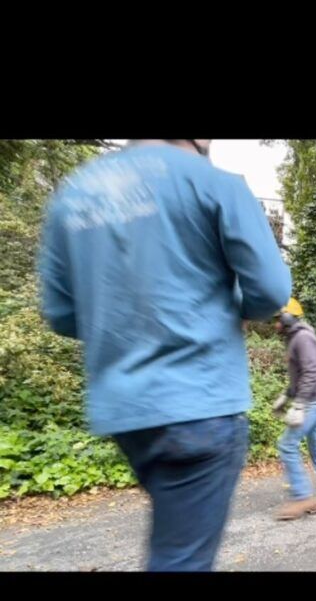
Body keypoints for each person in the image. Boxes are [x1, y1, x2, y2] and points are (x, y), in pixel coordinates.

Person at [38, 139, 291, 572]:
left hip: (124, 411)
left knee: (174, 543)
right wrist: (237, 309)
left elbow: (61, 314)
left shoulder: (74, 192)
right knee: (180, 558)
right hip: (201, 400)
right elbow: (270, 290)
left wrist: (122, 320)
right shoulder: (216, 184)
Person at [273, 301, 316, 521]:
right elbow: (299, 376)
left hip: (314, 401)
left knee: (287, 444)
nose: (275, 324)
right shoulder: (295, 338)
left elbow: (310, 373)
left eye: (278, 319)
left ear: (288, 317)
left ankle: (301, 496)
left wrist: (299, 404)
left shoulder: (302, 338)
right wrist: (286, 397)